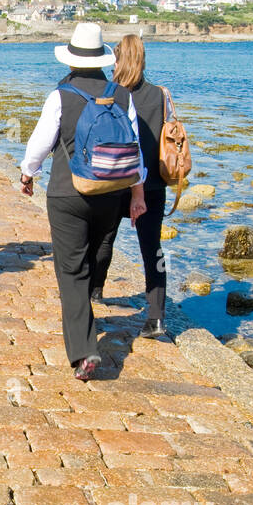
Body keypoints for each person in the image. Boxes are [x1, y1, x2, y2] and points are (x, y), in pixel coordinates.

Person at [19, 23, 146, 381]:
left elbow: (40, 144)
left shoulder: (61, 94)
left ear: (71, 58)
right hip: (112, 191)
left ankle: (84, 351)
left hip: (68, 192)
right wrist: (136, 191)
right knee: (97, 251)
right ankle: (93, 296)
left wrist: (28, 173)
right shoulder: (122, 95)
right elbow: (135, 150)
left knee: (71, 269)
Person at [93, 34, 169, 338]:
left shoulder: (111, 94)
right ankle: (157, 317)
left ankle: (95, 291)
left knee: (103, 238)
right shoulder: (160, 95)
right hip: (152, 184)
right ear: (143, 60)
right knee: (153, 249)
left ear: (117, 60)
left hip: (116, 180)